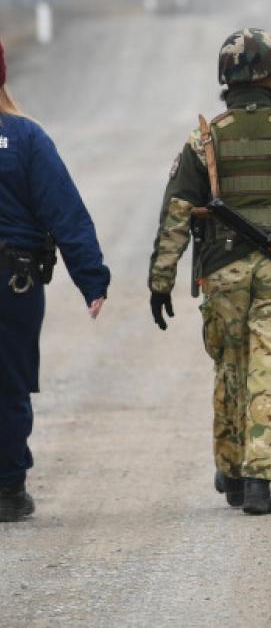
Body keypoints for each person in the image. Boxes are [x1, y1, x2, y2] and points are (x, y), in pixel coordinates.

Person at [148, 28, 271, 515]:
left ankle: (232, 472)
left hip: (222, 271)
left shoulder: (204, 139)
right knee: (269, 368)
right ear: (270, 75)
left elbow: (175, 213)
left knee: (231, 368)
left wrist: (161, 281)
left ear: (228, 79)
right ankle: (257, 483)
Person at [0, 39, 110, 523]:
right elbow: (65, 212)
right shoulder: (26, 138)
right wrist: (92, 278)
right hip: (13, 282)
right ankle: (7, 490)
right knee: (9, 384)